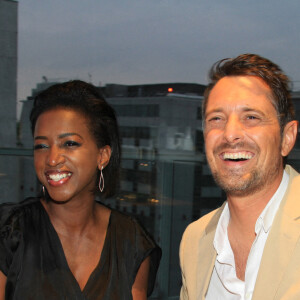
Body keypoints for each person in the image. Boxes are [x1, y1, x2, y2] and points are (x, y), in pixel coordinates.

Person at [0, 80, 161, 299]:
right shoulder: (10, 232)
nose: (52, 159)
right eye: (42, 146)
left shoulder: (131, 242)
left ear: (102, 156)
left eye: (69, 144)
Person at [180, 54, 299, 300]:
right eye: (216, 119)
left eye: (251, 117)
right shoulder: (194, 240)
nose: (230, 133)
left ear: (287, 138)